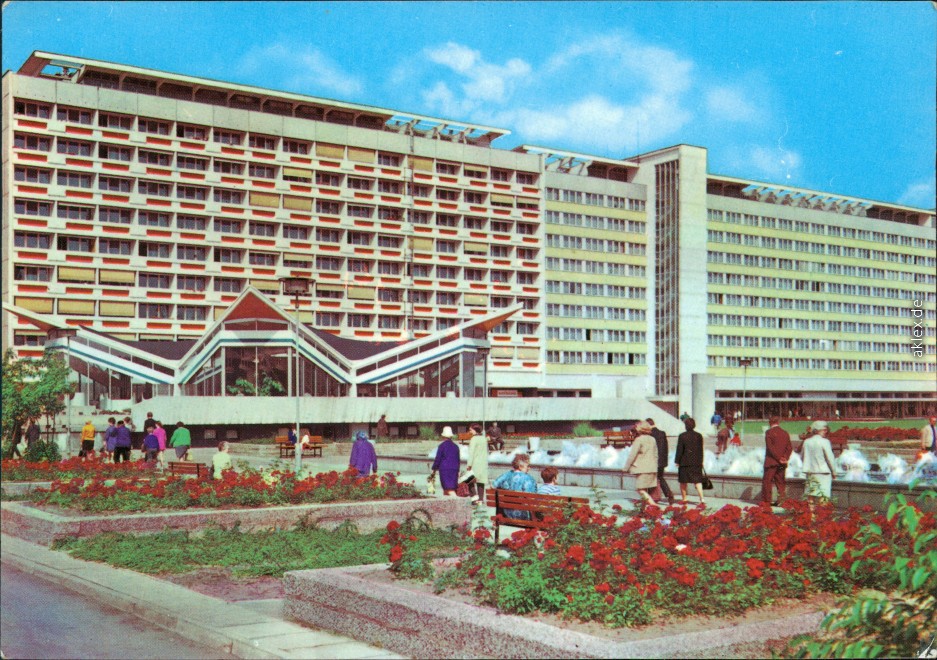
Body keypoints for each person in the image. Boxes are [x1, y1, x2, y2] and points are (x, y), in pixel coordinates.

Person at [802, 421, 837, 510]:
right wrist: (834, 471)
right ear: (817, 430)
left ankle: (811, 516)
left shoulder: (806, 442)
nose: (825, 431)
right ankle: (822, 517)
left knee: (811, 496)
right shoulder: (825, 442)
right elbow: (830, 458)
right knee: (823, 496)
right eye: (824, 430)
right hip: (823, 472)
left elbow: (803, 456)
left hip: (811, 472)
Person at [622, 421, 659, 506]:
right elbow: (656, 454)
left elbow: (632, 455)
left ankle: (654, 506)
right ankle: (646, 507)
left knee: (640, 489)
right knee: (645, 490)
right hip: (652, 468)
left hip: (642, 469)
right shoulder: (652, 439)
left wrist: (626, 468)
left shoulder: (639, 440)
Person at [491, 453, 538, 519]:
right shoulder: (528, 478)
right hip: (523, 515)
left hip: (506, 513)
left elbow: (493, 486)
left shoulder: (506, 475)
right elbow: (532, 498)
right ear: (520, 466)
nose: (529, 468)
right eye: (528, 466)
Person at [761, 416, 792, 505]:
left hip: (771, 462)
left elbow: (770, 448)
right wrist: (784, 458)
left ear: (770, 422)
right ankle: (781, 501)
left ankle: (766, 502)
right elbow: (789, 448)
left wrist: (778, 458)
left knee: (767, 481)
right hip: (782, 463)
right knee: (780, 482)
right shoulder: (785, 433)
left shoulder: (769, 432)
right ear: (778, 422)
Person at [675, 417, 706, 506]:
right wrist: (701, 461)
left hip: (684, 462)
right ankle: (702, 499)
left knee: (683, 481)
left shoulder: (682, 436)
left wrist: (677, 460)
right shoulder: (699, 436)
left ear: (685, 426)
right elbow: (701, 450)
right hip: (696, 461)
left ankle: (684, 499)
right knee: (697, 481)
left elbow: (679, 449)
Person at [647, 417, 674, 505]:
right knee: (660, 477)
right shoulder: (662, 433)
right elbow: (665, 448)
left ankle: (651, 497)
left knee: (651, 478)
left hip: (653, 460)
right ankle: (668, 493)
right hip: (662, 461)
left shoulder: (650, 435)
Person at [430, 426, 462, 496]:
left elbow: (438, 459)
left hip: (445, 470)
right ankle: (447, 505)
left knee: (449, 489)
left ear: (443, 436)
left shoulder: (442, 446)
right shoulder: (455, 446)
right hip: (454, 469)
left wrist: (434, 468)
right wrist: (458, 470)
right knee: (447, 488)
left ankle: (457, 503)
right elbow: (458, 459)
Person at [466, 423, 489, 505]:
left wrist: (469, 465)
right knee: (481, 482)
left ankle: (474, 499)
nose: (470, 431)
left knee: (469, 481)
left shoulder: (473, 439)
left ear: (475, 430)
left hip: (475, 463)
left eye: (471, 430)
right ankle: (481, 499)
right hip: (483, 463)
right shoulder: (484, 438)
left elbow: (471, 453)